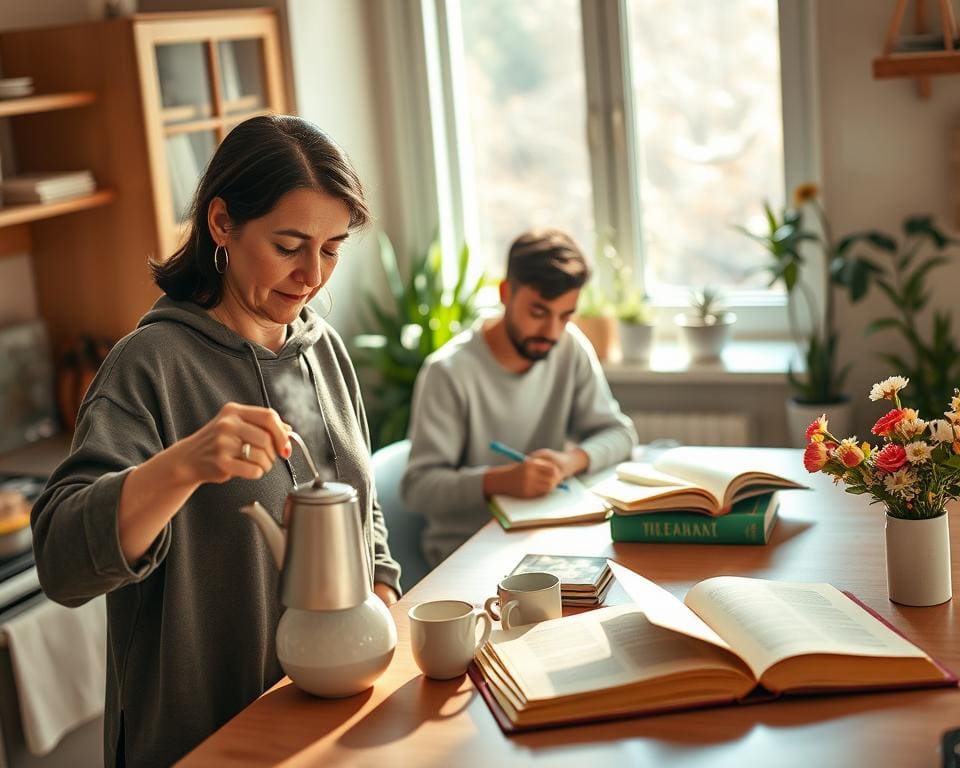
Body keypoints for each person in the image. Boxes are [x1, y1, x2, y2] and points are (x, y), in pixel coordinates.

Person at [30, 115, 401, 768]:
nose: (312, 274)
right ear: (222, 223)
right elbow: (62, 561)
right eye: (289, 245)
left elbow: (361, 508)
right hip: (204, 745)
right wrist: (183, 466)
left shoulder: (323, 351)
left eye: (333, 247)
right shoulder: (150, 365)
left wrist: (382, 603)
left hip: (327, 726)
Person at [402, 228, 637, 566]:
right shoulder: (448, 372)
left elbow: (620, 433)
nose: (553, 332)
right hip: (467, 554)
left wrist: (572, 461)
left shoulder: (569, 346)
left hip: (548, 539)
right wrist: (502, 481)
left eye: (565, 315)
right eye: (539, 313)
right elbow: (419, 488)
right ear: (505, 293)